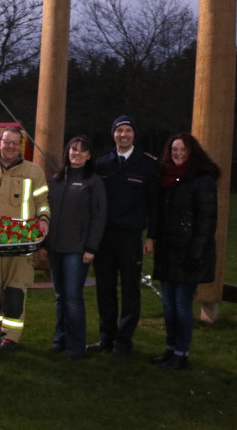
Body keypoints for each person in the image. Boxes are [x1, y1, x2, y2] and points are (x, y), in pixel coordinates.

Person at [0, 127, 50, 352]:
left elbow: (43, 200)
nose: (11, 146)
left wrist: (43, 218)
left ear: (21, 145)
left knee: (15, 290)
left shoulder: (34, 172)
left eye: (16, 143)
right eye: (7, 142)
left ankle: (10, 335)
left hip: (21, 243)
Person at [89, 115, 159, 357]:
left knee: (130, 290)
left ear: (134, 134)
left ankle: (123, 341)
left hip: (130, 237)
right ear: (113, 134)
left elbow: (154, 204)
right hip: (104, 237)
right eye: (119, 131)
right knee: (105, 289)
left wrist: (151, 237)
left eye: (128, 130)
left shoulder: (148, 164)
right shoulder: (102, 163)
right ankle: (106, 337)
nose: (124, 135)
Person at [151, 133, 219, 370]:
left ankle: (182, 352)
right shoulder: (168, 179)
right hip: (169, 251)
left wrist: (196, 255)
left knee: (181, 304)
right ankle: (170, 349)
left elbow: (207, 222)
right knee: (168, 305)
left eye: (182, 149)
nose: (177, 154)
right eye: (173, 150)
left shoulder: (202, 180)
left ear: (192, 152)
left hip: (190, 253)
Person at [46, 136, 107, 360]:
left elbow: (99, 217)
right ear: (67, 152)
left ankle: (76, 346)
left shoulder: (94, 182)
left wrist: (91, 247)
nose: (77, 154)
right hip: (55, 247)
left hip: (77, 249)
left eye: (82, 151)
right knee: (60, 296)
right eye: (73, 149)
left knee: (73, 297)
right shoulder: (57, 179)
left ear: (89, 155)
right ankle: (60, 338)